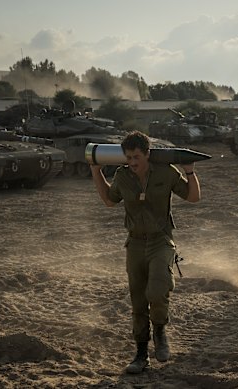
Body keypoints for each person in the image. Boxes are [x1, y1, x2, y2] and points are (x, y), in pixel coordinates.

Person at [90, 130, 201, 374]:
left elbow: (193, 197)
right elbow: (110, 200)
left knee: (158, 289)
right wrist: (96, 171)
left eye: (136, 157)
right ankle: (141, 355)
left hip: (161, 241)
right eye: (128, 157)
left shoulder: (166, 172)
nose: (132, 163)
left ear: (148, 154)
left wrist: (190, 172)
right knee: (138, 301)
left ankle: (160, 331)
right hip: (135, 244)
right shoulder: (122, 176)